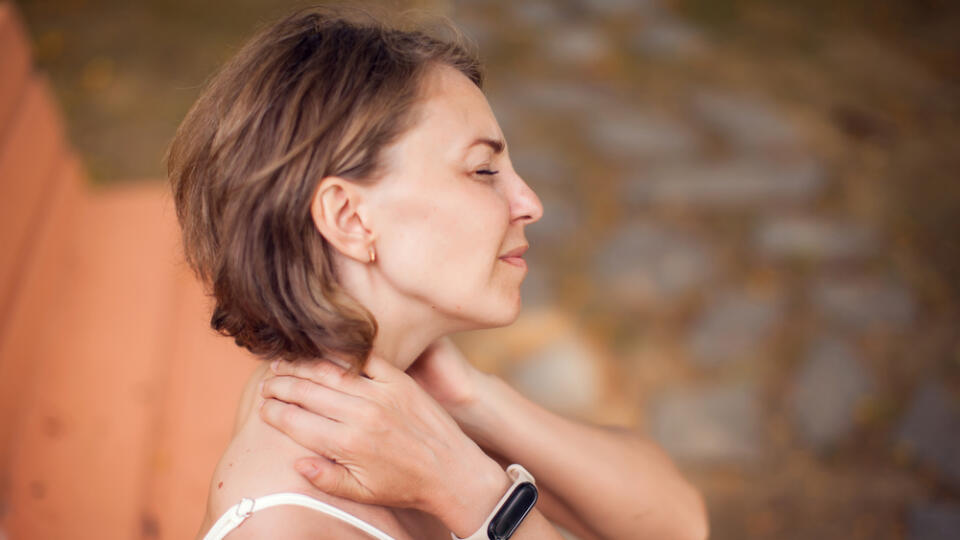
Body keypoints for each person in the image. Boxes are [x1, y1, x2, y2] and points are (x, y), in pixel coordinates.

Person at [165, 5, 708, 540]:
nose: (529, 202)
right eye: (483, 170)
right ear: (350, 219)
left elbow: (678, 522)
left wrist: (473, 400)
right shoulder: (288, 528)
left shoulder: (395, 408)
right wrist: (476, 497)